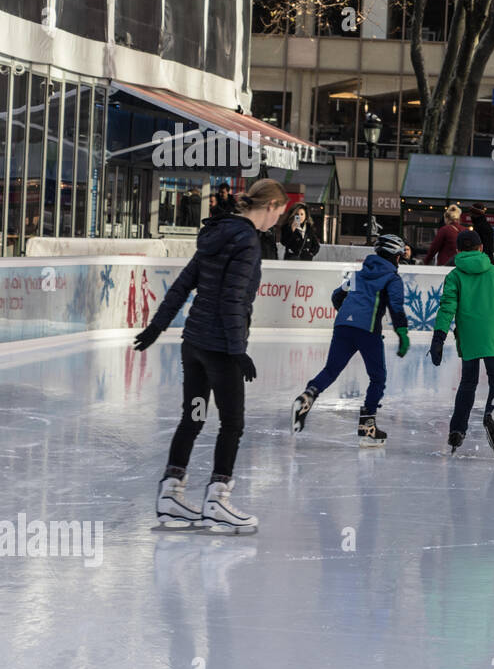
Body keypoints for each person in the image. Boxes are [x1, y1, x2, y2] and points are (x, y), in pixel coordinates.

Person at [132, 178, 288, 533]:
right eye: (277, 215)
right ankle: (217, 500)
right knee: (232, 423)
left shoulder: (217, 233)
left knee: (194, 417)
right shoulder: (247, 241)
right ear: (270, 207)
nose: (274, 223)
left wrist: (158, 326)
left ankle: (170, 496)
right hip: (220, 351)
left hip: (195, 348)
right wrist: (238, 352)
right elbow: (233, 300)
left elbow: (184, 283)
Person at [291, 234, 410, 446]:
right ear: (395, 257)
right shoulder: (392, 278)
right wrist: (402, 333)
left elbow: (337, 296)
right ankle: (367, 428)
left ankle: (308, 396)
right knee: (377, 378)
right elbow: (396, 306)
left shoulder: (357, 275)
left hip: (343, 326)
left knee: (331, 370)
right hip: (367, 331)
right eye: (400, 256)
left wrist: (348, 316)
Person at [429, 230, 494, 455]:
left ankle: (457, 430)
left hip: (467, 335)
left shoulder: (455, 276)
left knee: (468, 383)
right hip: (493, 335)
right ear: (481, 248)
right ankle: (493, 417)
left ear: (458, 250)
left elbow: (447, 307)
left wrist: (439, 337)